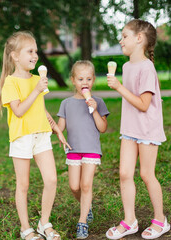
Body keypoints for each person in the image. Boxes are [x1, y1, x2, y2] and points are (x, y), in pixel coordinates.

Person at [0, 31, 70, 240]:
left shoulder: (37, 79)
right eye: (30, 51)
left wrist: (56, 129)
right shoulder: (11, 82)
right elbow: (18, 111)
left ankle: (44, 222)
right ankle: (26, 228)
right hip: (22, 137)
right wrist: (36, 90)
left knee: (52, 179)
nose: (35, 55)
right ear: (15, 56)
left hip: (41, 135)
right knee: (23, 185)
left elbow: (40, 109)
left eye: (36, 51)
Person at [105, 19, 170, 239]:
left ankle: (161, 220)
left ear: (139, 39)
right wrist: (120, 86)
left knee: (146, 174)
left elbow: (143, 104)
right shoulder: (126, 66)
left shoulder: (147, 67)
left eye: (124, 36)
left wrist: (119, 87)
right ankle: (130, 220)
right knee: (124, 174)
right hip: (130, 129)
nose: (121, 40)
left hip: (147, 129)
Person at [56, 60, 109, 239]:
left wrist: (93, 109)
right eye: (80, 79)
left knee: (86, 185)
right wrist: (51, 126)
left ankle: (82, 222)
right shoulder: (66, 103)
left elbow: (102, 128)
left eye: (88, 78)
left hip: (91, 149)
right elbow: (60, 127)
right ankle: (88, 206)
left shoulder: (99, 102)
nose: (84, 82)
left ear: (93, 80)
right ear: (73, 80)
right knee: (74, 186)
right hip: (73, 149)